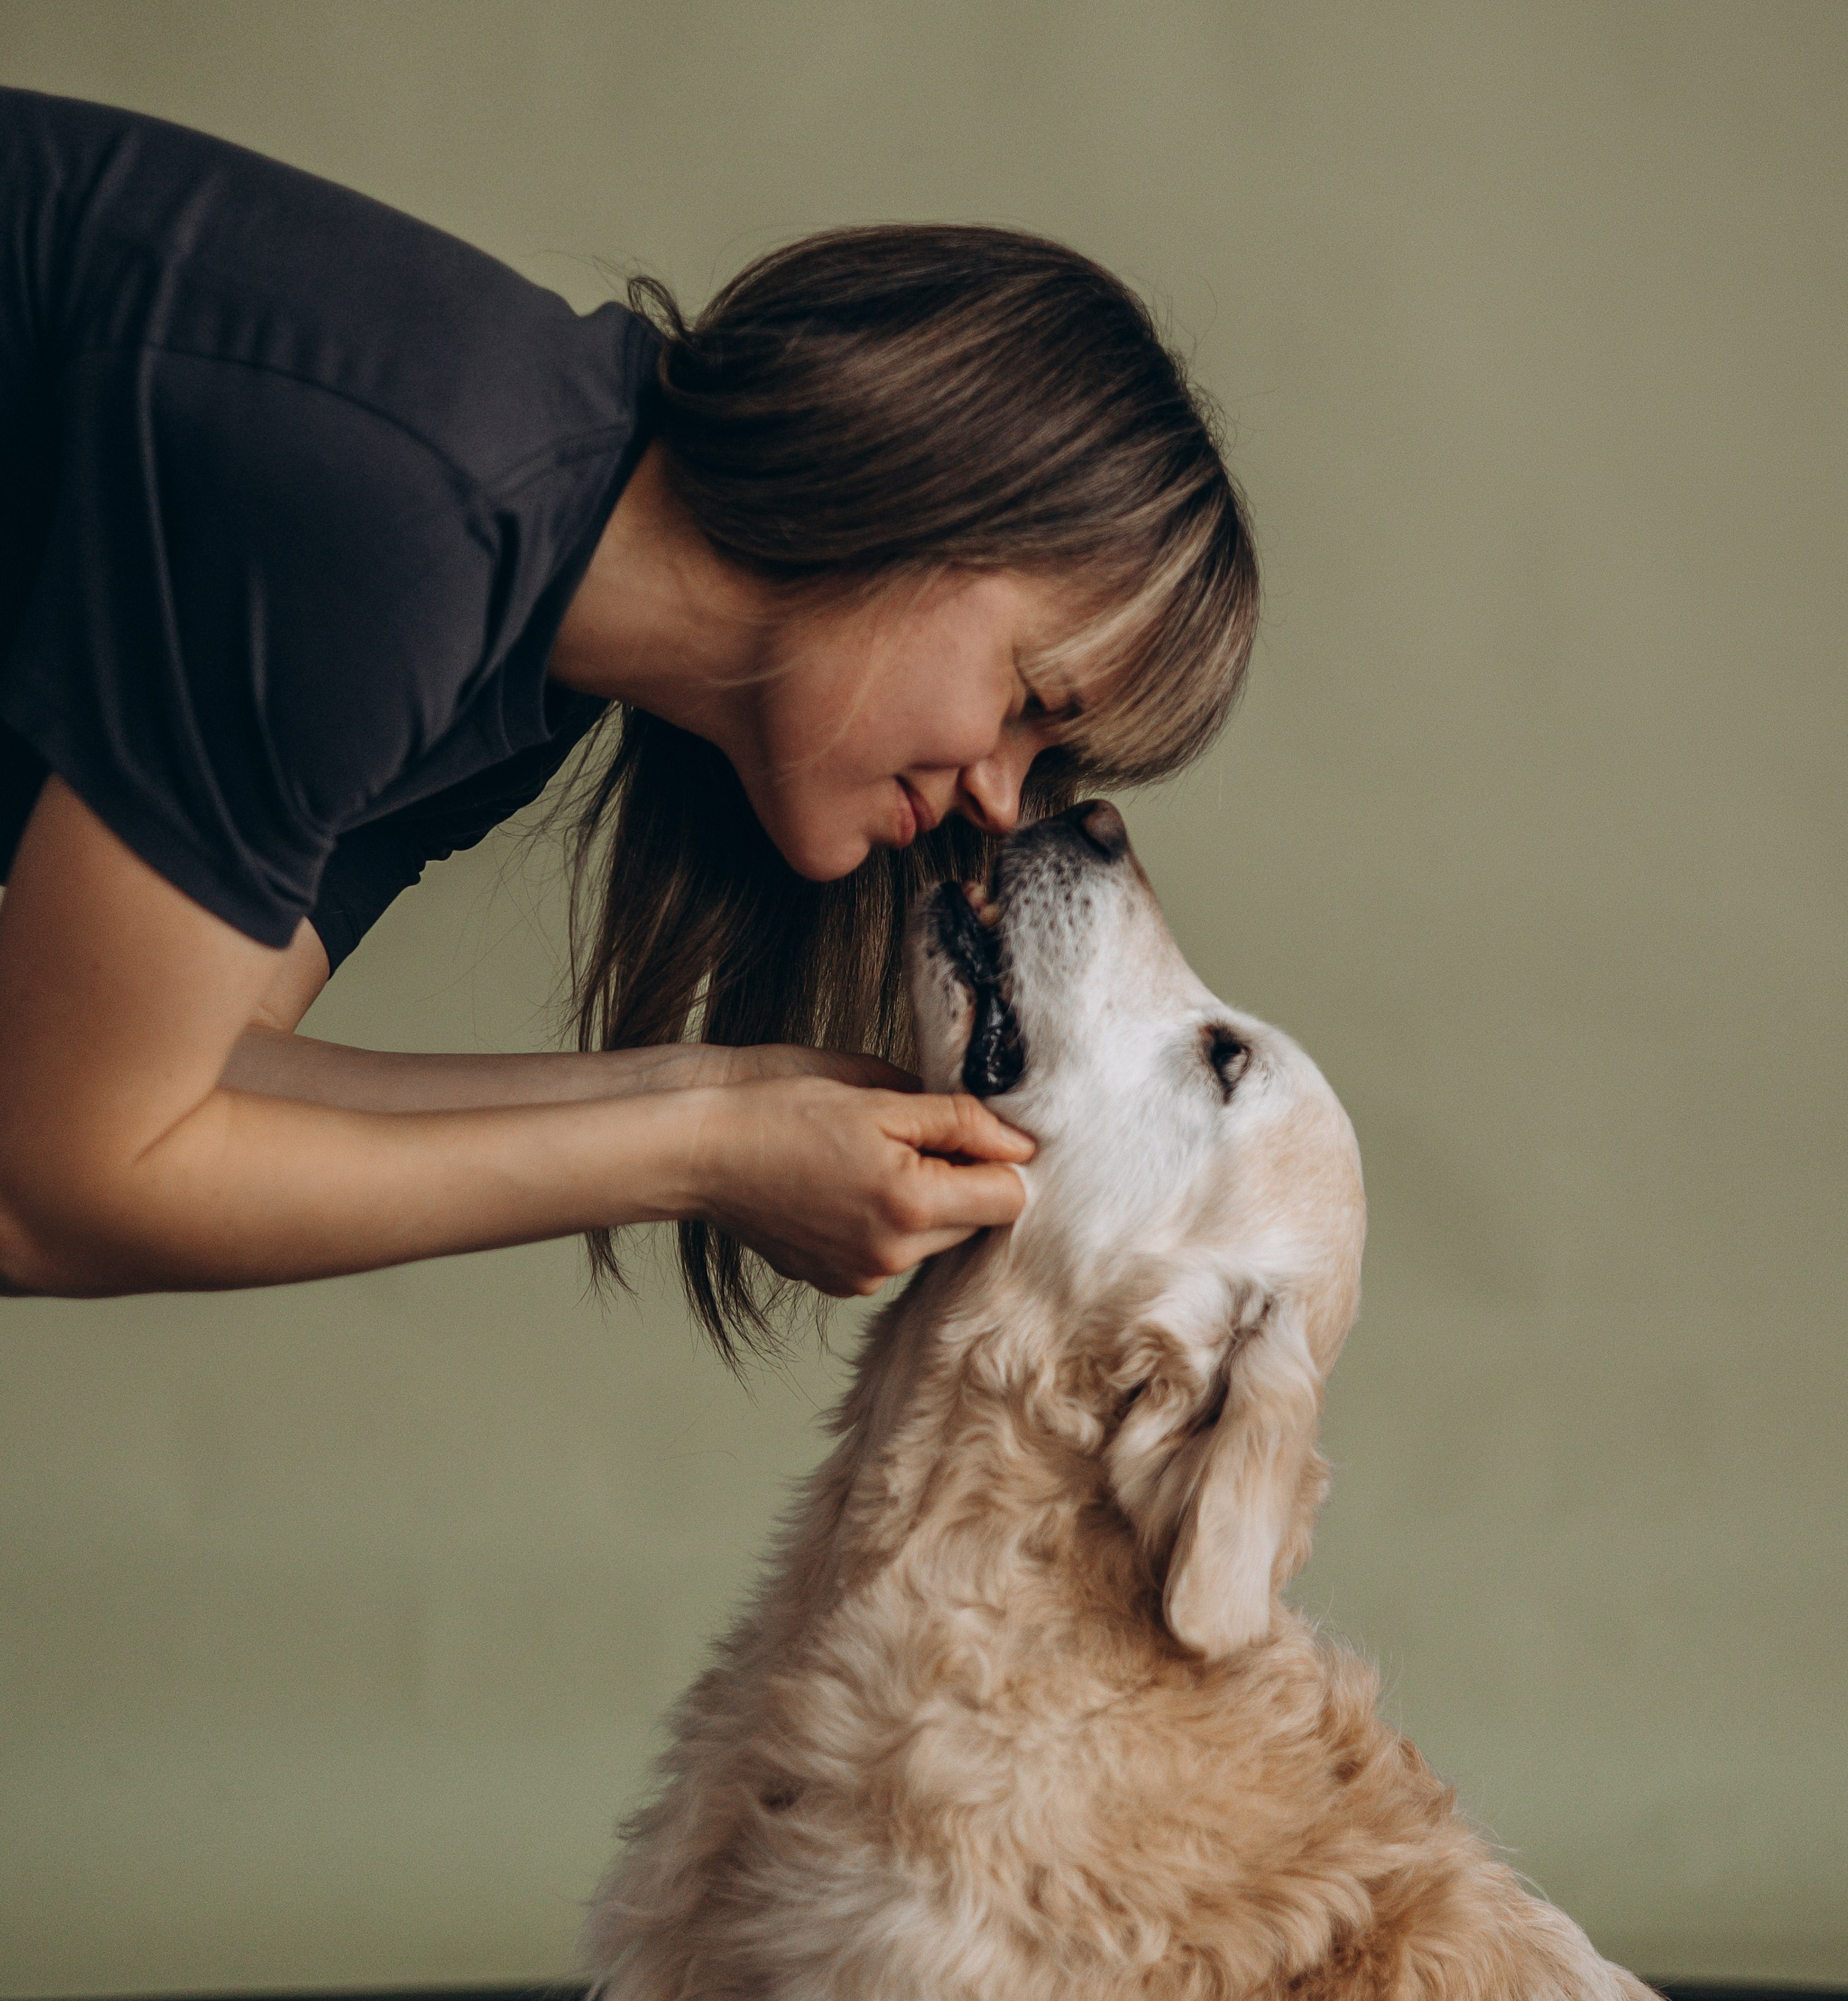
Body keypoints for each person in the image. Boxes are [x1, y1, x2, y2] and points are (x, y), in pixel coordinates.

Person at [0, 89, 1258, 1352]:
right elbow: (41, 1189)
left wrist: (713, 1092)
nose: (1001, 798)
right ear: (914, 486)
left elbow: (189, 1069)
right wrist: (700, 1153)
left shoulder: (524, 665)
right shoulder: (414, 533)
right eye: (1032, 699)